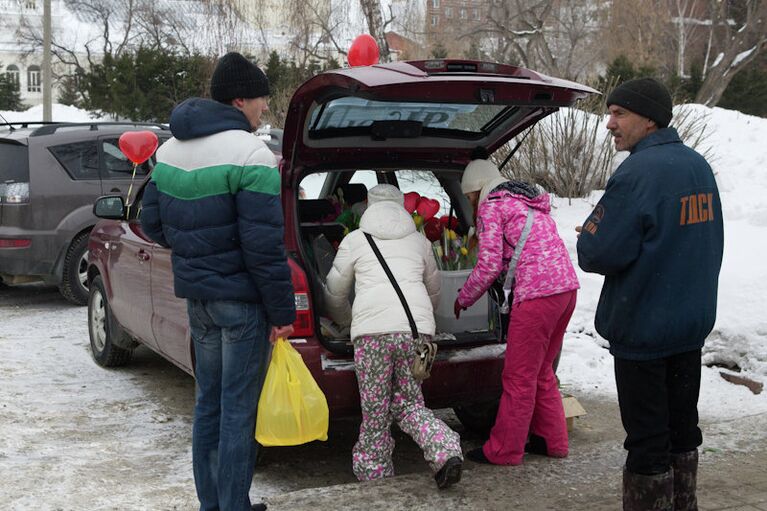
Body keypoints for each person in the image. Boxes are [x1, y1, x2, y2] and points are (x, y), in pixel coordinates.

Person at [141, 52, 296, 511]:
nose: (264, 109)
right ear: (239, 100)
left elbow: (151, 224)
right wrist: (283, 313)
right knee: (238, 409)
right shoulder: (251, 154)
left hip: (199, 301)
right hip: (243, 305)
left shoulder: (167, 152)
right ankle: (234, 505)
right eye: (262, 100)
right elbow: (264, 248)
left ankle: (214, 504)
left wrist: (196, 251)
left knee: (208, 402)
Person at [576, 78, 724, 511]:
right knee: (682, 430)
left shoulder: (637, 172)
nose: (609, 124)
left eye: (619, 113)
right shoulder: (698, 166)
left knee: (647, 442)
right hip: (687, 329)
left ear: (649, 119)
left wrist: (588, 231)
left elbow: (597, 251)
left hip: (643, 331)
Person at [323, 184, 464, 489]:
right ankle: (444, 449)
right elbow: (434, 290)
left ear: (368, 207)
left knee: (375, 408)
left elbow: (334, 294)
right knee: (410, 403)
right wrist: (421, 321)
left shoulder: (354, 240)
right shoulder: (419, 241)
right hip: (415, 333)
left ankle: (376, 479)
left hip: (372, 336)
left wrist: (349, 322)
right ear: (401, 207)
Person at [454, 157, 579, 466]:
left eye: (470, 197)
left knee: (518, 376)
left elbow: (488, 265)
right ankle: (552, 440)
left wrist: (463, 298)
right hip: (566, 290)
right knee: (541, 372)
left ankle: (504, 450)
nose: (472, 203)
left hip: (536, 295)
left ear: (478, 189)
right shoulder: (526, 203)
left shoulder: (492, 205)